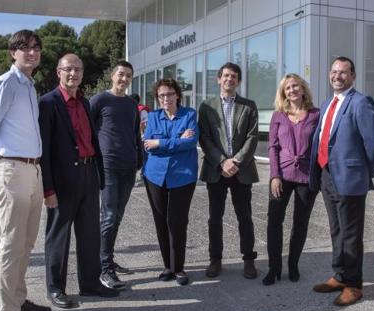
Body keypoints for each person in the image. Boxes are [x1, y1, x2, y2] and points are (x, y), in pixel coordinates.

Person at [0, 29, 50, 311]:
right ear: (12, 53)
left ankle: (18, 300)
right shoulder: (5, 84)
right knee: (12, 242)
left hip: (31, 170)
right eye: (24, 48)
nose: (31, 52)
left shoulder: (29, 86)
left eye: (36, 48)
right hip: (10, 169)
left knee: (27, 242)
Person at [39, 54, 120, 309]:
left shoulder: (84, 102)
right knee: (58, 236)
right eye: (68, 69)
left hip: (88, 174)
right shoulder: (47, 103)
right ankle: (55, 288)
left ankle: (90, 283)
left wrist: (98, 175)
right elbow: (45, 151)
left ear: (83, 74)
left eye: (78, 70)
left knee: (89, 234)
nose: (73, 74)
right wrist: (48, 188)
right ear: (58, 72)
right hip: (63, 180)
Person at [309, 56, 374, 306]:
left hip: (350, 177)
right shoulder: (328, 102)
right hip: (326, 174)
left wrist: (362, 171)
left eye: (343, 72)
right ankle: (339, 275)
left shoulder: (361, 102)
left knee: (351, 234)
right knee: (336, 230)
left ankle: (354, 285)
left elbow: (373, 144)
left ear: (352, 76)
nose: (337, 76)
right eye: (334, 72)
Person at [198, 62, 260, 279]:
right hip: (216, 170)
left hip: (241, 171)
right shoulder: (206, 106)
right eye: (225, 76)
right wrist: (222, 161)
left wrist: (236, 162)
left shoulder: (249, 106)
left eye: (233, 76)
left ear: (238, 81)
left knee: (245, 217)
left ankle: (249, 260)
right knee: (215, 218)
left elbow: (253, 137)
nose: (229, 79)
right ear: (218, 79)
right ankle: (215, 259)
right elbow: (204, 137)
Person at [90, 61, 143, 289]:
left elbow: (135, 134)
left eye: (128, 76)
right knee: (109, 217)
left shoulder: (132, 104)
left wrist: (139, 159)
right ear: (112, 76)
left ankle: (108, 258)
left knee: (117, 217)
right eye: (121, 74)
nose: (124, 79)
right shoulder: (99, 100)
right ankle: (103, 269)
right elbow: (87, 131)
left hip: (128, 167)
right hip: (108, 166)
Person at [263, 74, 319, 285]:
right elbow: (273, 147)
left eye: (296, 86)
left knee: (300, 223)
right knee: (274, 221)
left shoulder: (316, 115)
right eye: (288, 88)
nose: (292, 90)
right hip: (282, 176)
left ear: (303, 89)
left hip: (306, 177)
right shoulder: (278, 115)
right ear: (283, 92)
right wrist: (274, 176)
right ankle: (273, 267)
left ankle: (293, 264)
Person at [142, 78, 198, 286]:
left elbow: (191, 142)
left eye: (169, 94)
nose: (166, 98)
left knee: (177, 222)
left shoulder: (189, 114)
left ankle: (179, 268)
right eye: (161, 95)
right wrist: (176, 141)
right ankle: (168, 266)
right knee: (161, 221)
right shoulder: (154, 117)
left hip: (182, 176)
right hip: (155, 176)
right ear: (158, 98)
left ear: (177, 95)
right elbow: (148, 144)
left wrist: (161, 143)